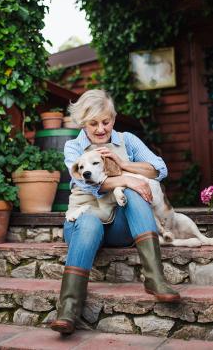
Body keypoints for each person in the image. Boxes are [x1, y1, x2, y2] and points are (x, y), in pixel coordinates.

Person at [50, 89, 180, 334]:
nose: (100, 129)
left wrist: (123, 166)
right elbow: (83, 182)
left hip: (120, 227)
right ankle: (68, 308)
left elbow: (159, 169)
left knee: (134, 190)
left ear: (113, 119)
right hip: (84, 224)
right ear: (83, 123)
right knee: (94, 218)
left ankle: (155, 279)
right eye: (93, 123)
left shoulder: (127, 140)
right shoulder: (73, 147)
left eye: (106, 122)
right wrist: (128, 180)